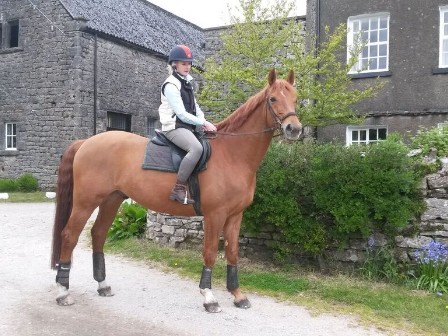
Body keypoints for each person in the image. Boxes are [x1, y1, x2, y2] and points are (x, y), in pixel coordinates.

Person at [158, 44, 217, 205]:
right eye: (184, 63)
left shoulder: (186, 83)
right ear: (174, 64)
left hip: (187, 127)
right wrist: (203, 122)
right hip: (173, 127)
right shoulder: (171, 84)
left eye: (189, 63)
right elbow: (181, 113)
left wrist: (203, 121)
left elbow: (195, 107)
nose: (187, 67)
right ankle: (178, 189)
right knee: (196, 148)